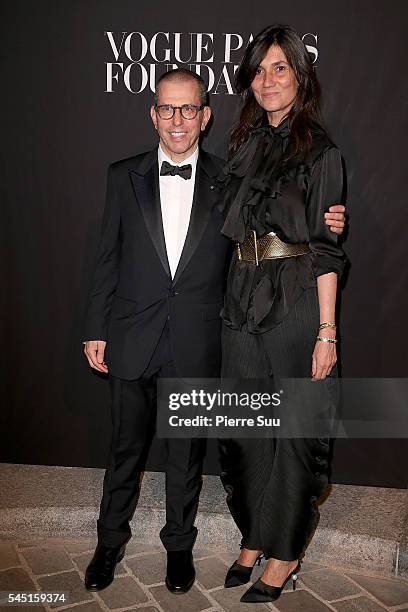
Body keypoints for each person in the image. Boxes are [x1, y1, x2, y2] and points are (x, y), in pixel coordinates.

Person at [82, 68, 345, 594]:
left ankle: (179, 548)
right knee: (124, 451)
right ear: (153, 114)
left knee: (186, 455)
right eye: (166, 108)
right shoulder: (122, 175)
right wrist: (96, 328)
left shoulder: (230, 180)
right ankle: (108, 544)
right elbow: (106, 258)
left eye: (188, 109)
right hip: (132, 336)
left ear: (204, 116)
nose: (177, 119)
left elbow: (274, 226)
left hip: (197, 341)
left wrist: (325, 219)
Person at [217, 25, 346, 604]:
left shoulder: (321, 150)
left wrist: (326, 331)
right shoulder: (242, 142)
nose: (268, 81)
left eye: (281, 69)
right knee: (245, 429)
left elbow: (325, 247)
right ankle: (255, 533)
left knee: (293, 432)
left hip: (294, 300)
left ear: (300, 75)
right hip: (240, 298)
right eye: (260, 70)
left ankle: (286, 550)